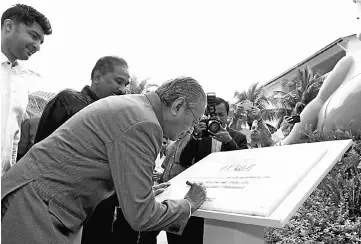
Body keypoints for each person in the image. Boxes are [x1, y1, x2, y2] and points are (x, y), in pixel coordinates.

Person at [1, 76, 208, 244]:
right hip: (36, 206)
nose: (191, 129)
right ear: (178, 106)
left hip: (40, 201)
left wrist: (136, 193)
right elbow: (142, 216)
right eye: (194, 120)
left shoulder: (135, 107)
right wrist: (188, 204)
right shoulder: (145, 124)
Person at [166, 97, 248, 244]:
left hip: (226, 197)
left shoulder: (238, 137)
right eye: (213, 115)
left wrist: (229, 141)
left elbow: (243, 165)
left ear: (228, 116)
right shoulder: (199, 136)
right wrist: (196, 136)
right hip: (200, 197)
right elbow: (184, 160)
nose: (217, 119)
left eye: (221, 115)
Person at [1, 3, 52, 176]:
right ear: (9, 26)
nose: (37, 46)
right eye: (33, 35)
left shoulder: (20, 82)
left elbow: (13, 138)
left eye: (41, 42)